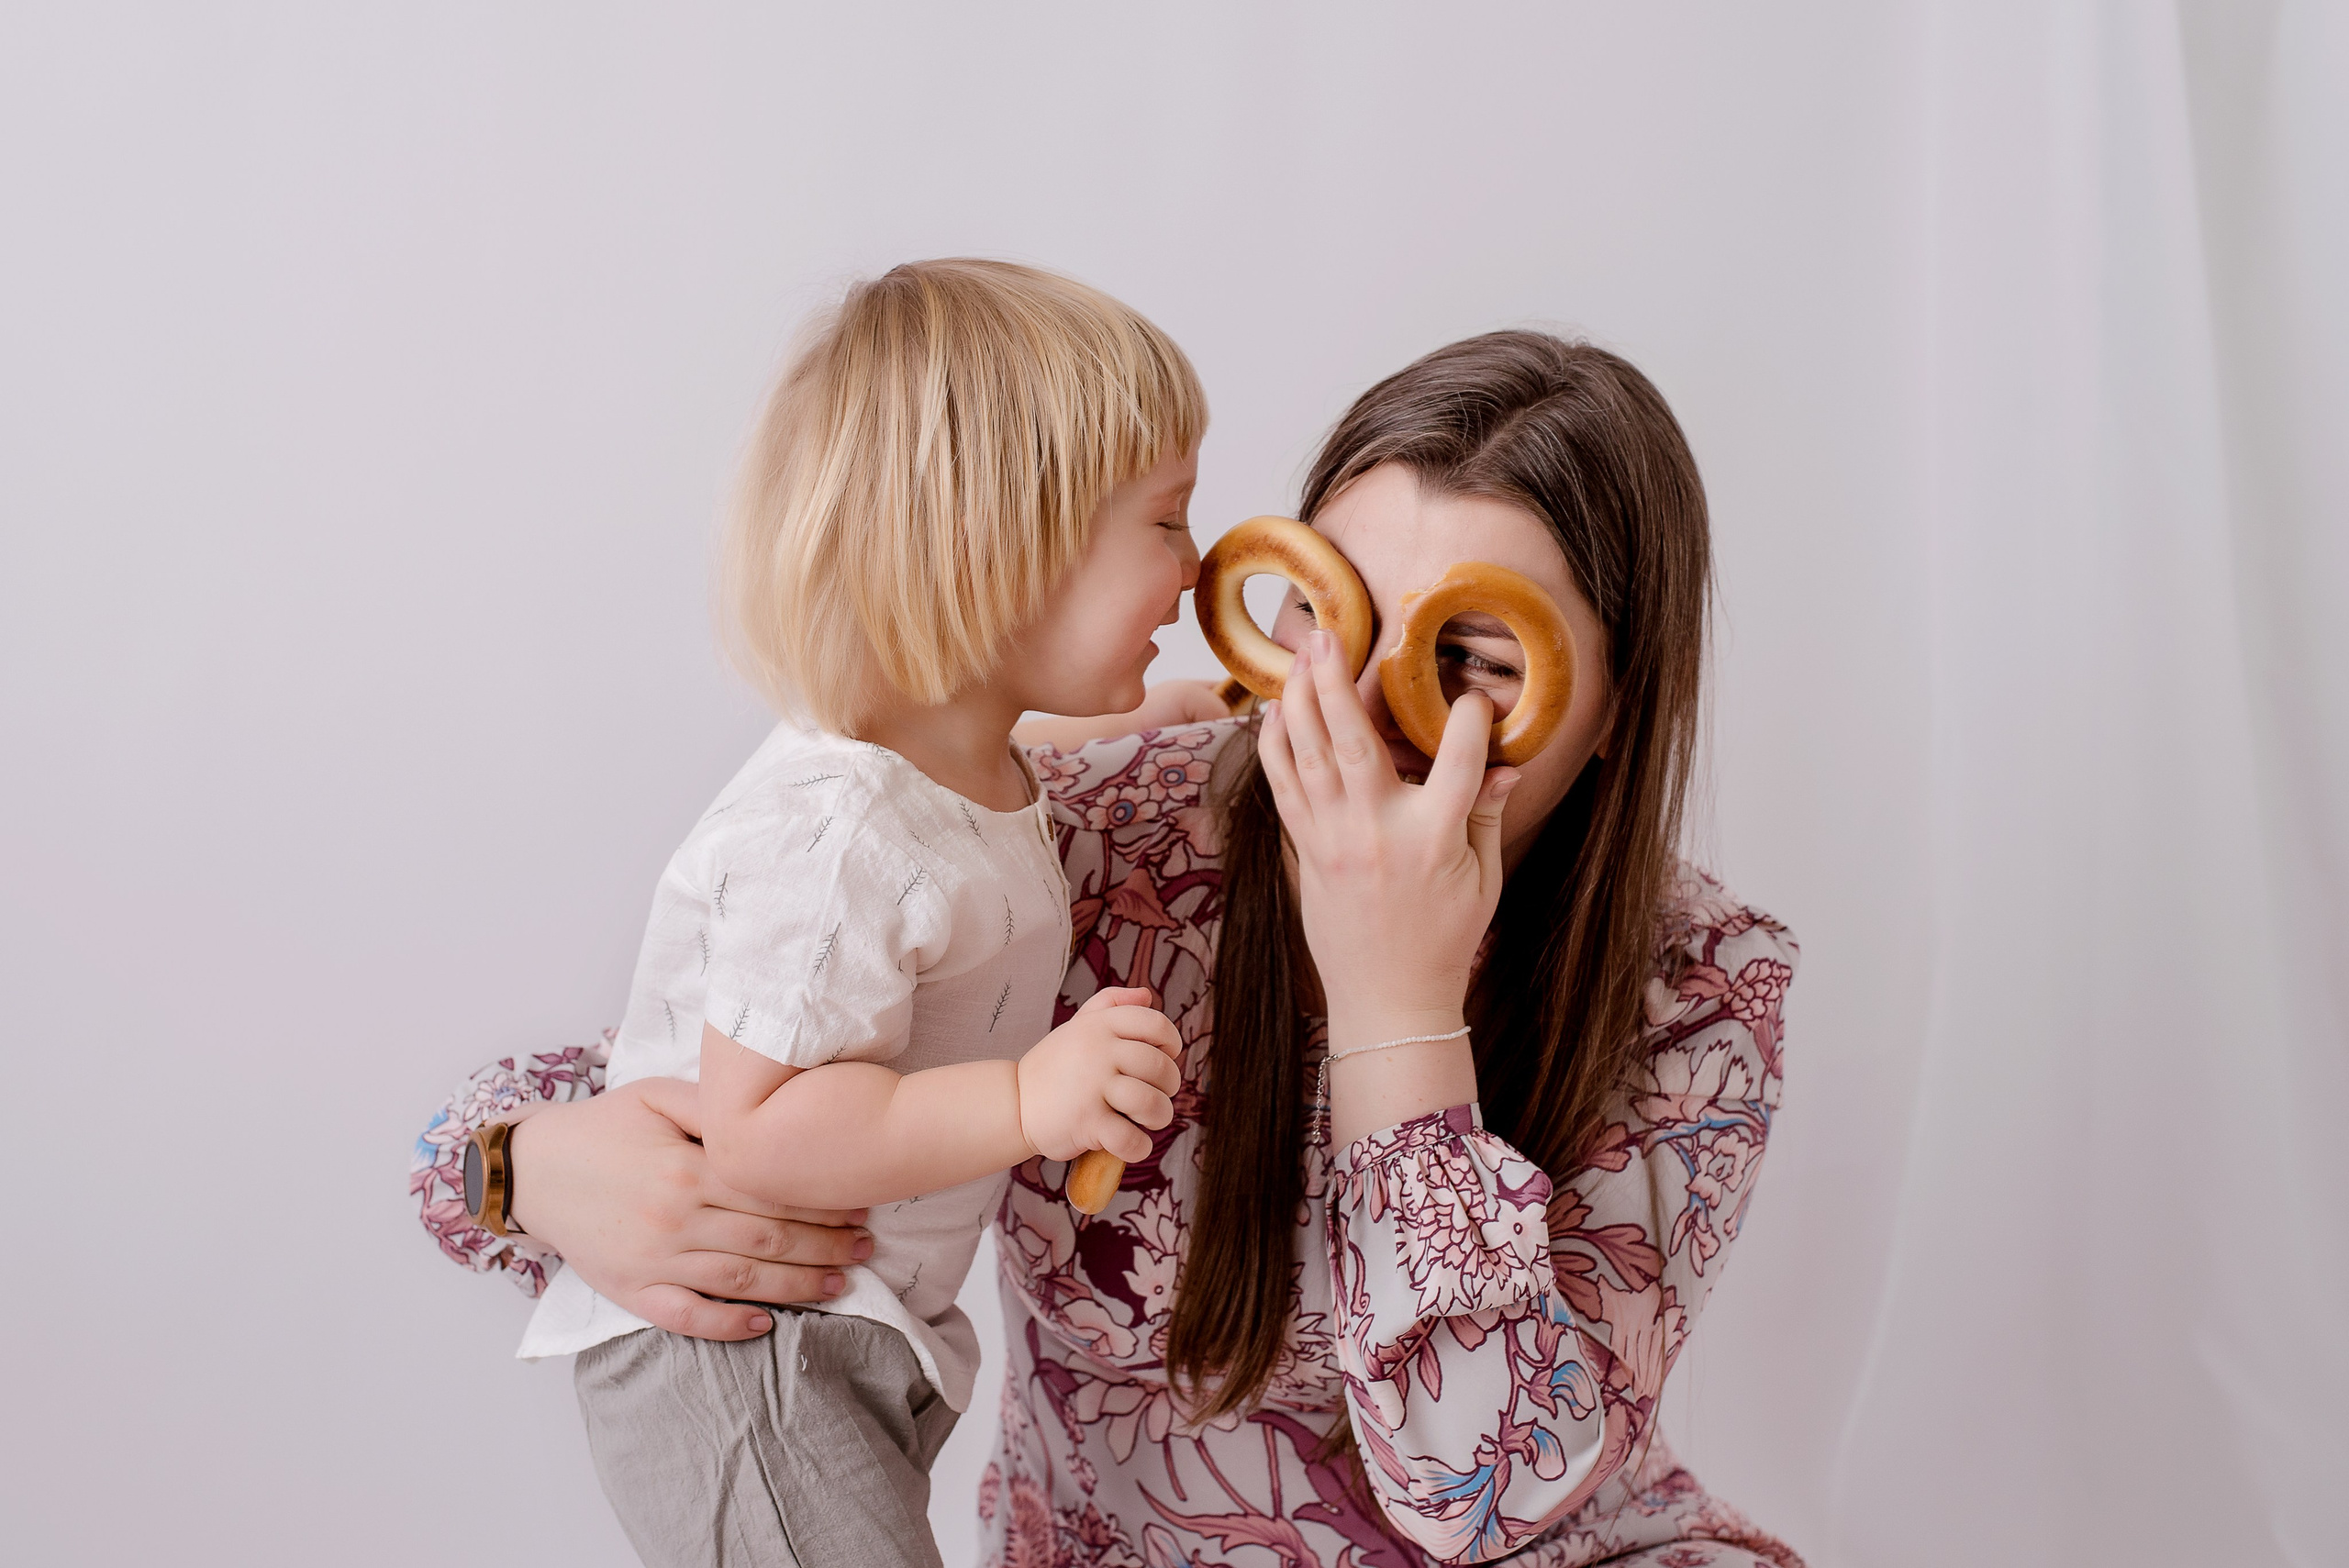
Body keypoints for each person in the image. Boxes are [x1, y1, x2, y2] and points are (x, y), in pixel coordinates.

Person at [413, 330, 1803, 1567]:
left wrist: (1398, 1002)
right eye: (1333, 617)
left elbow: (1475, 1496)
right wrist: (521, 1167)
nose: (1363, 705)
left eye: (1473, 659)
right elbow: (672, 1085)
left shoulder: (1702, 984)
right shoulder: (1091, 840)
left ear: (1617, 703)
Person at [509, 258, 1205, 1568]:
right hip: (746, 1353)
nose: (1197, 561)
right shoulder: (837, 837)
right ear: (1006, 549)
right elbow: (761, 1127)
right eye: (1165, 520)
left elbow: (1028, 779)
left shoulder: (961, 771)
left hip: (832, 1340)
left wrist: (1191, 707)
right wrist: (1025, 1101)